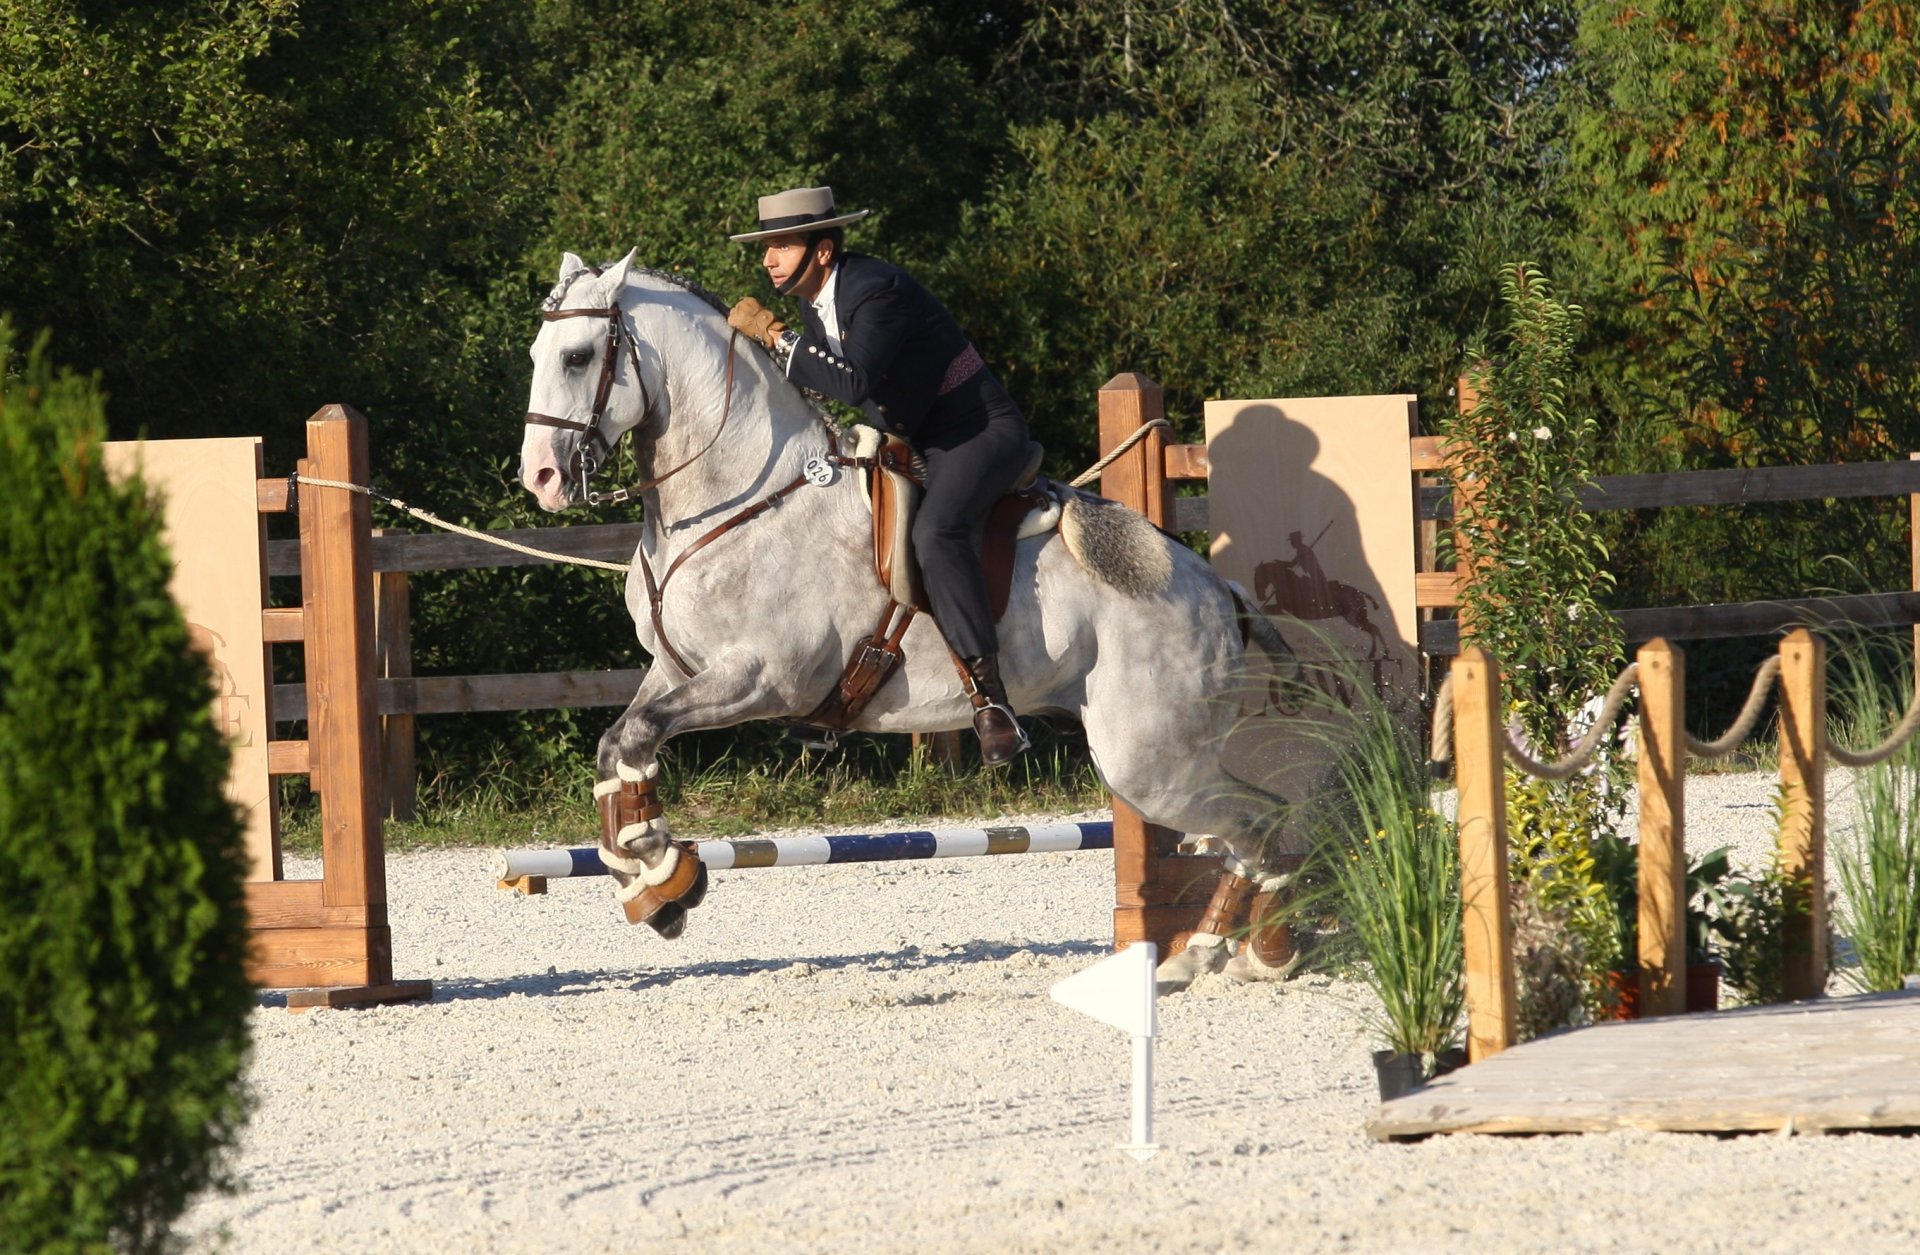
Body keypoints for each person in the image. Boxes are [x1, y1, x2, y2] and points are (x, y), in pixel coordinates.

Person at [726, 185, 1032, 764]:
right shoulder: (813, 304)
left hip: (978, 432)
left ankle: (994, 706)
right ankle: (836, 692)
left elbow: (852, 384)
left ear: (822, 251)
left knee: (935, 533)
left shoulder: (875, 288)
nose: (768, 259)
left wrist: (774, 337)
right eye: (767, 247)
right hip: (919, 440)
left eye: (783, 245)